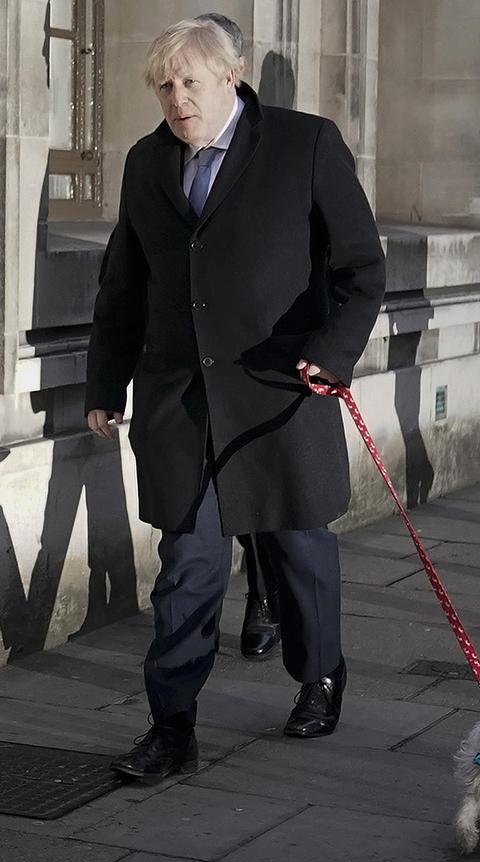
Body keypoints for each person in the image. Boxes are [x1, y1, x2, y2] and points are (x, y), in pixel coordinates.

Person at [85, 17, 385, 782]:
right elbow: (124, 286)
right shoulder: (146, 162)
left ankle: (319, 674)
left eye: (190, 81)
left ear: (232, 75)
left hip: (280, 390)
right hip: (179, 401)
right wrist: (104, 383)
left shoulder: (303, 144)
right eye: (164, 85)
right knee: (189, 564)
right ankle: (171, 726)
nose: (177, 98)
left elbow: (361, 269)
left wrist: (334, 350)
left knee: (296, 545)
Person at [196, 11, 280, 661]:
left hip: (257, 348)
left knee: (250, 481)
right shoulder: (175, 137)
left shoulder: (281, 143)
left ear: (240, 69)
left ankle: (263, 593)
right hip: (191, 346)